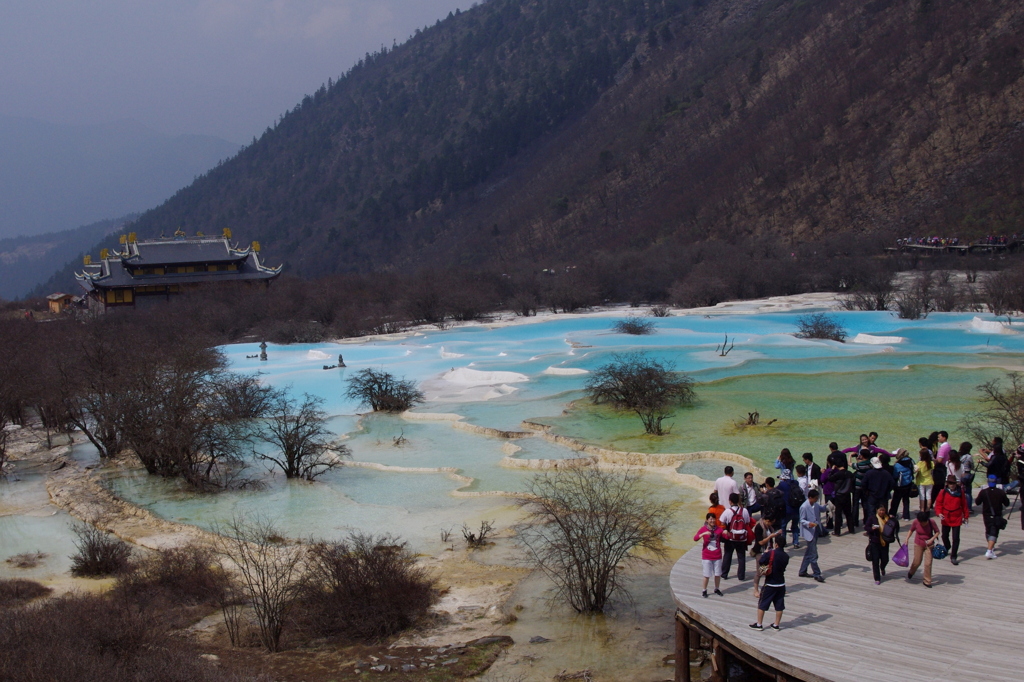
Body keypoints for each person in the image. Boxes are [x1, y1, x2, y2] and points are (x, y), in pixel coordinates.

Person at [750, 538, 789, 631]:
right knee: (779, 605)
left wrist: (765, 553)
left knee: (762, 604)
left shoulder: (771, 553)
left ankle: (759, 624)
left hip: (770, 583)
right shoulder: (786, 556)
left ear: (776, 544)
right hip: (781, 584)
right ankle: (776, 624)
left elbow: (761, 561)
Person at [934, 475, 969, 565]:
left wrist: (966, 516)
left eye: (953, 483)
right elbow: (938, 504)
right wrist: (939, 513)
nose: (952, 485)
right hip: (946, 517)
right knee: (944, 536)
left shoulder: (960, 492)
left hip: (957, 517)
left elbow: (964, 505)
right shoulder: (943, 492)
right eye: (950, 483)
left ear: (956, 483)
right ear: (947, 484)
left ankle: (953, 556)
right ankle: (948, 546)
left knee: (956, 538)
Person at [976, 474, 1011, 559]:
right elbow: (1007, 503)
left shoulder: (984, 492)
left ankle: (990, 547)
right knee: (994, 532)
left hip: (986, 516)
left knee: (988, 530)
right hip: (996, 515)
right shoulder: (1000, 492)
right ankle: (989, 551)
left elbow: (977, 502)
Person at [720, 493, 751, 581]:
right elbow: (747, 522)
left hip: (730, 537)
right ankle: (741, 576)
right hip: (741, 537)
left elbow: (722, 522)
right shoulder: (744, 510)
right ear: (738, 501)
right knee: (741, 557)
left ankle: (724, 574)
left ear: (730, 501)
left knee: (728, 555)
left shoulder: (727, 511)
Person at [905, 510, 940, 588]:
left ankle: (927, 581)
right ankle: (911, 572)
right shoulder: (916, 522)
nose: (922, 524)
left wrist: (931, 539)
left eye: (923, 522)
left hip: (929, 545)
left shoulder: (932, 522)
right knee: (917, 561)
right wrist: (907, 539)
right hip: (918, 543)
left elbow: (937, 532)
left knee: (928, 563)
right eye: (920, 522)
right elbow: (911, 530)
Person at [797, 489, 826, 582]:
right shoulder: (804, 507)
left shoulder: (815, 504)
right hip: (809, 531)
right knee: (813, 554)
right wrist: (808, 523)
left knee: (809, 552)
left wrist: (829, 505)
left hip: (816, 530)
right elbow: (801, 520)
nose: (817, 500)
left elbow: (822, 509)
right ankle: (817, 574)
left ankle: (802, 571)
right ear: (810, 498)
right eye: (816, 498)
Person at [694, 512, 725, 597]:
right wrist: (703, 534)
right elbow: (695, 538)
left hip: (717, 555)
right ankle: (704, 590)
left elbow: (726, 536)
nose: (712, 520)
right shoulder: (703, 529)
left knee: (718, 574)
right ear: (707, 520)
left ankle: (717, 588)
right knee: (706, 575)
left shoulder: (719, 529)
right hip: (707, 556)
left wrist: (727, 533)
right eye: (710, 519)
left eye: (713, 519)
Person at [751, 516, 781, 599]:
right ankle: (756, 590)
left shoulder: (769, 527)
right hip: (761, 552)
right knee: (760, 572)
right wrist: (770, 537)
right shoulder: (759, 527)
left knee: (771, 570)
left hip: (769, 550)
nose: (772, 524)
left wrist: (776, 534)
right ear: (767, 521)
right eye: (771, 522)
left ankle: (770, 587)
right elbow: (760, 542)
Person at [865, 505, 891, 585]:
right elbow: (866, 527)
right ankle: (877, 578)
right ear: (877, 510)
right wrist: (871, 529)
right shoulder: (872, 518)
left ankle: (882, 567)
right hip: (875, 542)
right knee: (875, 560)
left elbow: (894, 526)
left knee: (885, 559)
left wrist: (893, 519)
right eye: (880, 510)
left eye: (883, 510)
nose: (882, 512)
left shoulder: (888, 518)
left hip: (885, 542)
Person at [829, 460, 855, 536]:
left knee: (838, 514)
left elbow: (830, 478)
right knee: (848, 513)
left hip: (839, 495)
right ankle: (851, 529)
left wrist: (832, 470)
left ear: (836, 466)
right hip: (847, 495)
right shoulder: (849, 473)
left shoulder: (838, 474)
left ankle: (837, 532)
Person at [777, 472, 802, 548]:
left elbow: (775, 490)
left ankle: (783, 542)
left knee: (783, 526)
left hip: (787, 510)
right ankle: (796, 542)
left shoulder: (782, 485)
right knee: (795, 526)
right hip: (797, 509)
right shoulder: (796, 483)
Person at [890, 448, 915, 520]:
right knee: (906, 500)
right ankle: (906, 516)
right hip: (908, 484)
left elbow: (895, 475)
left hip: (899, 486)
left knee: (895, 501)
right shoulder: (910, 461)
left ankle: (892, 514)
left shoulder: (897, 465)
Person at [852, 449, 873, 526]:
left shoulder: (860, 465)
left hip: (857, 486)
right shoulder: (870, 464)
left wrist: (850, 456)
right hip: (866, 487)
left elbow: (850, 464)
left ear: (862, 455)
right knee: (865, 504)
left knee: (855, 504)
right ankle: (866, 520)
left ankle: (855, 521)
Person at [914, 448, 934, 513]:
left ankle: (922, 510)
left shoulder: (920, 463)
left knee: (922, 496)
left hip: (921, 481)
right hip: (929, 481)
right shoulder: (931, 463)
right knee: (929, 496)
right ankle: (928, 509)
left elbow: (915, 470)